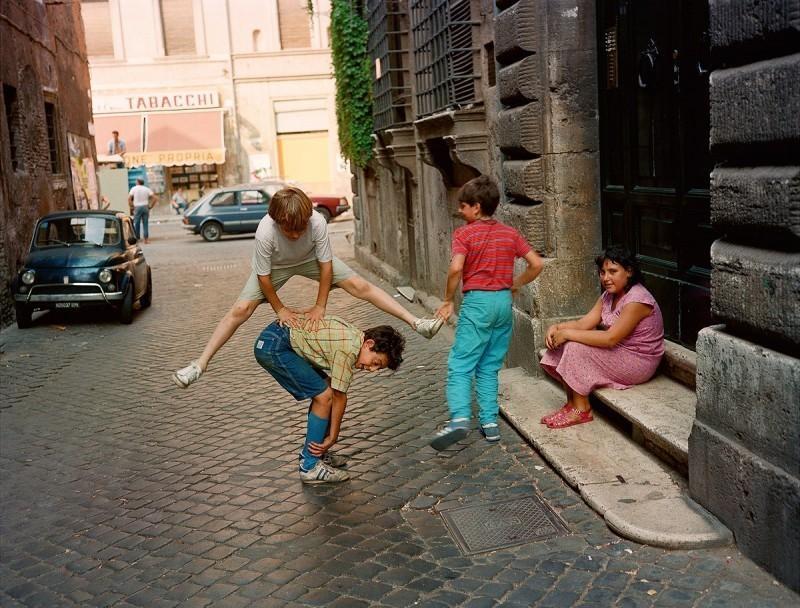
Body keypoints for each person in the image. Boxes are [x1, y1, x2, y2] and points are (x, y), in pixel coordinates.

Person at [172, 186, 442, 388]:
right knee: (241, 309)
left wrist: (320, 305)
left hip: (311, 261)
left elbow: (325, 266)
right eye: (288, 230)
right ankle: (200, 364)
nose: (295, 234)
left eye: (299, 229)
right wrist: (280, 310)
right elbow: (264, 277)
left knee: (360, 285)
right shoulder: (265, 231)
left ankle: (417, 322)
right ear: (277, 221)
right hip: (275, 267)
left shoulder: (317, 222)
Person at [429, 176, 543, 451]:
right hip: (503, 303)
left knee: (460, 364)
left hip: (477, 303)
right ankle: (490, 423)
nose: (460, 211)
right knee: (490, 366)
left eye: (463, 206)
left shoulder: (464, 234)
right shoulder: (509, 233)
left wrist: (447, 299)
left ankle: (459, 419)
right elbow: (536, 264)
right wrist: (515, 284)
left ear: (477, 207)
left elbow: (456, 268)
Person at [254, 316, 405, 483]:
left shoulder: (355, 338)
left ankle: (318, 453)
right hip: (274, 346)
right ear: (368, 344)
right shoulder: (348, 349)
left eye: (378, 368)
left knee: (326, 388)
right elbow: (340, 396)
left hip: (277, 338)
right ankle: (309, 466)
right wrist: (333, 436)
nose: (372, 370)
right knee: (324, 397)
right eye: (376, 362)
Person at [539, 245, 664, 429]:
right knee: (563, 342)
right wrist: (557, 327)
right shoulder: (608, 296)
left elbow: (610, 338)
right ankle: (572, 405)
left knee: (574, 346)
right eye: (602, 272)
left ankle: (582, 410)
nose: (606, 278)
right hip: (619, 351)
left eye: (613, 271)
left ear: (629, 271)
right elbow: (583, 324)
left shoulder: (637, 300)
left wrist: (567, 334)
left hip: (638, 361)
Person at [128, 179, 156, 244]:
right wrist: (151, 206)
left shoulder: (134, 188)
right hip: (145, 207)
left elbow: (129, 198)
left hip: (137, 207)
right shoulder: (146, 189)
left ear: (137, 182)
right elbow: (155, 198)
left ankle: (137, 238)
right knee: (145, 223)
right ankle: (146, 239)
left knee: (136, 223)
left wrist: (131, 206)